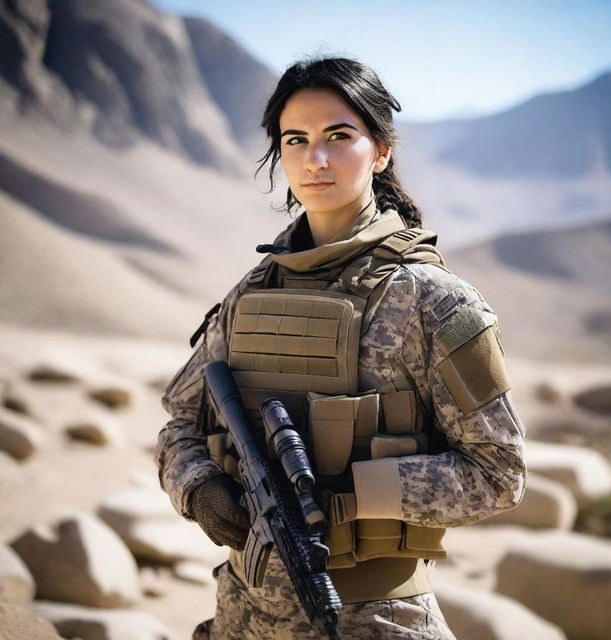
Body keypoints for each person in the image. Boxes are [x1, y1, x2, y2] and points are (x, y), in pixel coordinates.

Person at [155, 56, 527, 640]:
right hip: (243, 614)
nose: (315, 158)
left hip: (373, 618)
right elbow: (180, 423)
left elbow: (499, 472)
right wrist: (199, 487)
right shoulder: (252, 291)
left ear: (380, 151)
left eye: (338, 136)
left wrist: (348, 498)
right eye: (295, 140)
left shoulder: (431, 300)